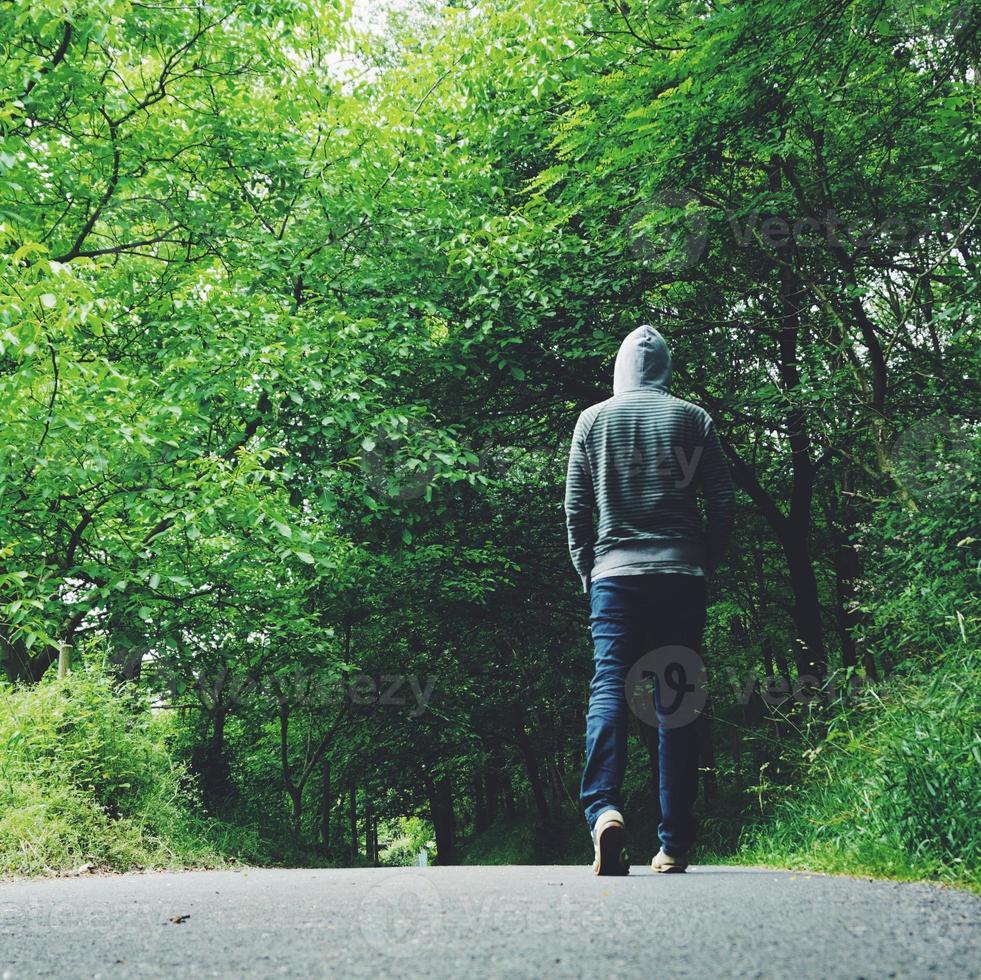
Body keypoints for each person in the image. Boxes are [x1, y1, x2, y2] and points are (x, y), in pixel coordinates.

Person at [564, 324, 735, 875]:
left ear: (619, 368)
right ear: (665, 368)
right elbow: (723, 501)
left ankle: (605, 812)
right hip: (682, 577)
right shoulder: (693, 419)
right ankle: (673, 844)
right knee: (675, 701)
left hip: (616, 577)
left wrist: (587, 570)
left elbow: (575, 511)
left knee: (610, 683)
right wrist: (704, 559)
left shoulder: (593, 421)